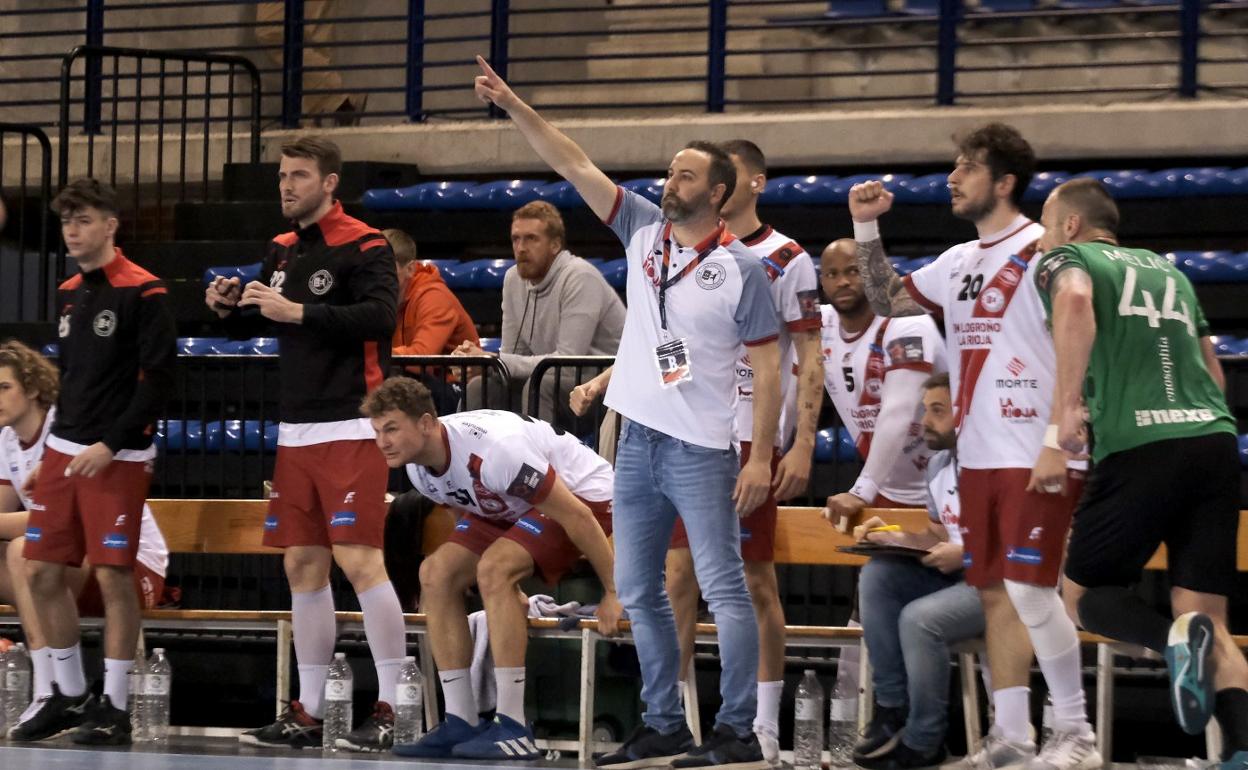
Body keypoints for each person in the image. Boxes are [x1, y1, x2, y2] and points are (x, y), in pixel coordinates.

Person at [475, 56, 781, 770]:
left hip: (703, 448)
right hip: (636, 440)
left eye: (682, 175)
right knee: (640, 588)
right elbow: (573, 161)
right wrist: (516, 105)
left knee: (725, 589)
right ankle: (664, 722)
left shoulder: (741, 269)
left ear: (717, 192)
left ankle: (737, 731)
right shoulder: (642, 230)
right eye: (668, 172)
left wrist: (760, 454)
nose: (666, 182)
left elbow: (769, 367)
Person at [850, 123, 1100, 769]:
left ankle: (1075, 731)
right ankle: (1012, 738)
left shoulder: (1048, 248)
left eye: (967, 167)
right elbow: (887, 297)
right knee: (996, 595)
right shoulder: (959, 261)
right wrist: (867, 226)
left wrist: (1059, 431)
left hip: (1037, 450)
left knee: (1033, 592)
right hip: (980, 457)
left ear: (1004, 181)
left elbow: (1082, 330)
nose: (953, 177)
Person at [1035, 178, 1248, 767]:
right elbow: (1212, 365)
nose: (1044, 236)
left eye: (1050, 223)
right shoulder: (1169, 271)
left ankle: (1170, 643)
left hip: (1138, 443)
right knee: (1207, 614)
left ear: (1071, 225)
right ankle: (1241, 752)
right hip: (1213, 439)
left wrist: (1065, 414)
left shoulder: (1066, 258)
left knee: (1079, 594)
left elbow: (1076, 302)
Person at [205, 136, 405, 753]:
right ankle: (309, 712)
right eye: (282, 177)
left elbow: (379, 317)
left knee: (359, 560)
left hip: (351, 423)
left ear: (330, 182)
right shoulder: (283, 248)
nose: (287, 186)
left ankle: (396, 706)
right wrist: (227, 307)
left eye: (298, 176)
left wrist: (297, 314)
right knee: (301, 564)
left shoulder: (366, 244)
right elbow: (269, 309)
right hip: (296, 430)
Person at [655, 139, 822, 765]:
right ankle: (674, 719)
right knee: (677, 579)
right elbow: (667, 337)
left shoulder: (786, 259)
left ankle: (762, 724)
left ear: (747, 183)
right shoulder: (680, 253)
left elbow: (810, 357)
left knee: (752, 580)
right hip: (691, 429)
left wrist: (799, 443)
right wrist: (668, 400)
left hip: (752, 436)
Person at [361, 376, 621, 760]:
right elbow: (465, 507)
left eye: (393, 429)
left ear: (427, 423)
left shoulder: (497, 452)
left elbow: (578, 516)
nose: (383, 441)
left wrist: (613, 593)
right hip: (507, 500)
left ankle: (513, 727)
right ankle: (461, 718)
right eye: (378, 431)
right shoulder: (418, 468)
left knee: (495, 571)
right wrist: (464, 577)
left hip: (584, 495)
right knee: (436, 574)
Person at [12, 178, 176, 745]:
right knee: (38, 571)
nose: (73, 232)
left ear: (111, 225)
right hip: (65, 447)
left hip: (120, 453)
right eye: (66, 223)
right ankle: (66, 692)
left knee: (111, 574)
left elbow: (157, 382)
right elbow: (74, 379)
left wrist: (110, 442)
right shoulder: (68, 290)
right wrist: (50, 451)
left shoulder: (146, 291)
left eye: (83, 220)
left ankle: (116, 704)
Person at [0, 340, 169, 738]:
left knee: (29, 551)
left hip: (130, 563)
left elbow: (58, 521)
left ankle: (48, 689)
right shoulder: (6, 439)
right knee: (24, 553)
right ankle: (56, 689)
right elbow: (6, 513)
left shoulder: (69, 428)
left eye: (4, 387)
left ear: (33, 388)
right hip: (65, 558)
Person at [850, 373, 985, 768]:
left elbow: (1019, 542)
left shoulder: (994, 464)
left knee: (919, 619)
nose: (926, 421)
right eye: (926, 410)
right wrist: (889, 537)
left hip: (996, 584)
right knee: (877, 575)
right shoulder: (939, 464)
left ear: (966, 414)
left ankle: (925, 740)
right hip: (956, 576)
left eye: (938, 411)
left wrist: (965, 554)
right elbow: (937, 534)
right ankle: (892, 709)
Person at [456, 200, 625, 424]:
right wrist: (485, 366)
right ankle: (466, 456)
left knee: (541, 385)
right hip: (552, 380)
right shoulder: (513, 279)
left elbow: (567, 362)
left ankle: (538, 459)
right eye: (516, 239)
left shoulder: (580, 277)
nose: (521, 248)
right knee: (481, 387)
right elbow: (513, 355)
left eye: (531, 238)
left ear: (555, 245)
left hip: (605, 388)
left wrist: (493, 360)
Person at [818, 238, 947, 524]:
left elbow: (898, 411)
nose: (843, 282)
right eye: (832, 274)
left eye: (853, 271)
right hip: (888, 487)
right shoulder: (821, 326)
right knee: (880, 570)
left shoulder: (907, 322)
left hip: (950, 483)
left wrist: (862, 490)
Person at [386, 227, 479, 415]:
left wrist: (369, 354)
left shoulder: (433, 297)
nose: (377, 278)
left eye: (386, 269)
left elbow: (421, 357)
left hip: (461, 391)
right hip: (418, 384)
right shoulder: (380, 298)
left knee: (397, 378)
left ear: (410, 268)